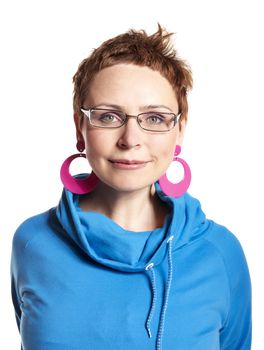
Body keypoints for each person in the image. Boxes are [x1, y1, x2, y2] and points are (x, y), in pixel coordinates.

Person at [10, 24, 252, 350]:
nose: (130, 140)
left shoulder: (220, 253)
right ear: (79, 127)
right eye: (108, 116)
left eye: (154, 118)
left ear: (180, 129)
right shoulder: (34, 243)